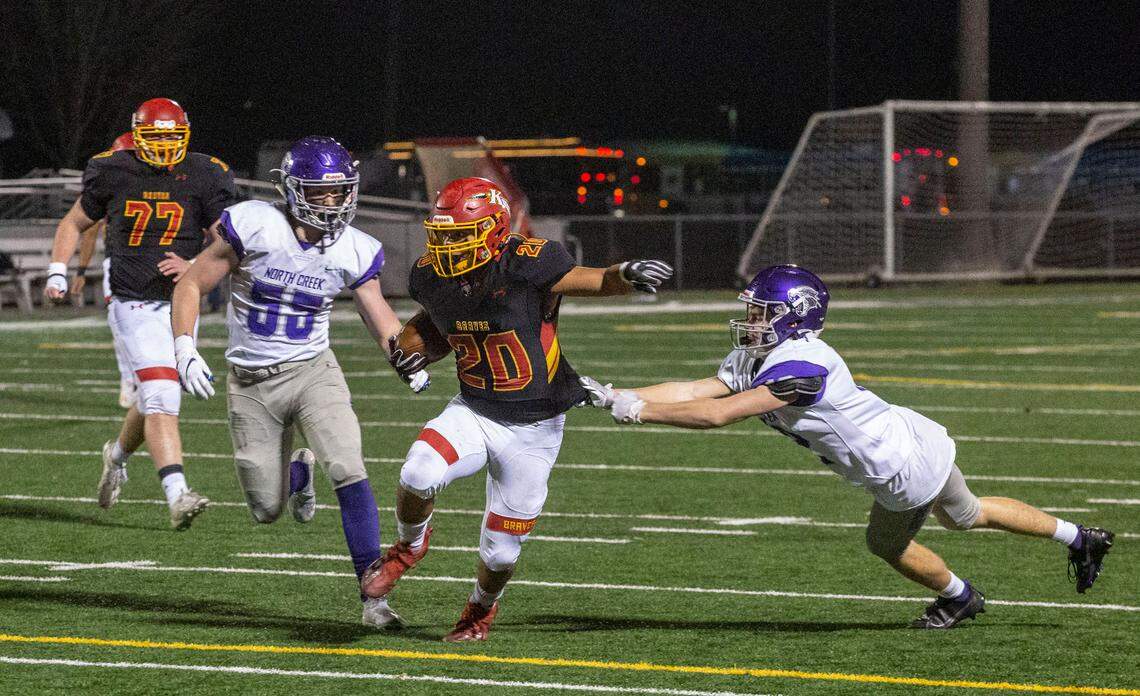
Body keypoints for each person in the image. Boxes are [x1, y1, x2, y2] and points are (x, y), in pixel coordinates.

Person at [581, 264, 1115, 629]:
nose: (751, 321)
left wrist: (643, 412)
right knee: (967, 513)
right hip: (912, 434)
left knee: (888, 545)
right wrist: (613, 395)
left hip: (898, 468)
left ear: (794, 314)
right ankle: (1078, 537)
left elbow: (718, 413)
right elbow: (697, 389)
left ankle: (960, 598)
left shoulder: (800, 367)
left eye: (763, 312)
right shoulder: (766, 355)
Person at [363, 176, 673, 641]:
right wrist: (409, 354)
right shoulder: (431, 275)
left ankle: (478, 613)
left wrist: (623, 274)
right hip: (473, 409)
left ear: (493, 230)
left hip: (536, 425)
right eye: (442, 236)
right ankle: (407, 549)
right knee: (417, 473)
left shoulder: (528, 262)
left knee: (502, 553)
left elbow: (590, 280)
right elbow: (434, 324)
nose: (447, 247)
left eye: (459, 236)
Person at [171, 136, 418, 628]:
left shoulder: (353, 247)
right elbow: (191, 283)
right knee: (266, 509)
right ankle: (296, 472)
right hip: (250, 383)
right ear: (291, 189)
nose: (333, 203)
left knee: (348, 464)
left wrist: (406, 358)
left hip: (312, 372)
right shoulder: (255, 225)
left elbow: (378, 314)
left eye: (340, 192)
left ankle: (373, 599)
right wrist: (183, 347)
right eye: (320, 193)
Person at [44, 98, 236, 530]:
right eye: (155, 137)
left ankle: (116, 457)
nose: (165, 147)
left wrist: (195, 266)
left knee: (155, 396)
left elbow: (226, 240)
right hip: (130, 298)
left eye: (173, 137)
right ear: (137, 137)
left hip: (180, 301)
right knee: (163, 394)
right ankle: (177, 494)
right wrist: (59, 272)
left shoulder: (205, 173)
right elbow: (73, 223)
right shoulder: (114, 168)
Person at [68, 132, 152, 409]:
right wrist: (80, 270)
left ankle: (157, 374)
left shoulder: (165, 183)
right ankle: (130, 378)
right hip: (119, 263)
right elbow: (89, 232)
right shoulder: (109, 188)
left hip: (156, 262)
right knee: (121, 326)